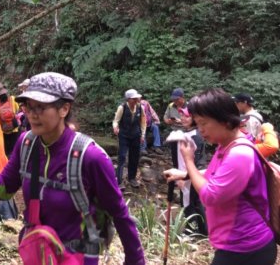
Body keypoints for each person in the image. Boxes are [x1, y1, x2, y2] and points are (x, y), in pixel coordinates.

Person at [0, 72, 145, 265]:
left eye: (41, 107)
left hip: (77, 258)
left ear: (64, 109)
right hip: (37, 254)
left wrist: (135, 259)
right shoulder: (26, 143)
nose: (32, 114)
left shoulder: (91, 157)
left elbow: (119, 213)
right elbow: (5, 190)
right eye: (28, 106)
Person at [164, 88, 276, 264]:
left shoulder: (239, 154)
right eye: (197, 124)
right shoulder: (225, 146)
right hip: (235, 244)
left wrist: (189, 161)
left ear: (224, 120)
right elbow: (216, 174)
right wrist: (185, 174)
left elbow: (210, 196)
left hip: (246, 247)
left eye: (203, 123)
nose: (200, 130)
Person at [176, 109, 207, 236]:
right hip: (184, 174)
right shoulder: (186, 134)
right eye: (182, 115)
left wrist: (185, 177)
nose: (183, 118)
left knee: (191, 203)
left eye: (187, 117)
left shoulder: (196, 136)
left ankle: (194, 231)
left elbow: (197, 160)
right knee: (192, 202)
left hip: (191, 175)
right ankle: (201, 230)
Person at [112, 89, 146, 188]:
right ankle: (119, 181)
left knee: (134, 157)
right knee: (122, 157)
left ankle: (132, 178)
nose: (136, 100)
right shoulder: (122, 107)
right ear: (128, 99)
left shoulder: (140, 108)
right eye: (133, 98)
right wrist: (115, 127)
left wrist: (143, 134)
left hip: (136, 135)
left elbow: (143, 122)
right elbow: (116, 120)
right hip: (124, 135)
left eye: (136, 98)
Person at [0, 81, 20, 157]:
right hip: (14, 129)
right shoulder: (12, 99)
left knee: (5, 153)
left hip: (2, 131)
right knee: (14, 152)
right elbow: (17, 110)